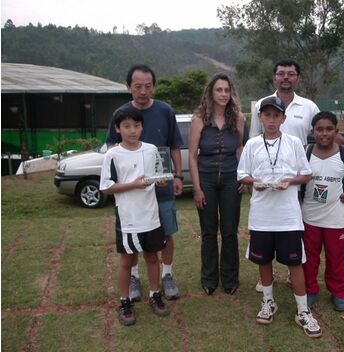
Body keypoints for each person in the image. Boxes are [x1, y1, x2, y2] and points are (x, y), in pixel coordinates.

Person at [250, 59, 344, 292]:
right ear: (274, 78)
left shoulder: (309, 106)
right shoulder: (261, 104)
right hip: (270, 183)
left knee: (300, 227)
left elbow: (325, 129)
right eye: (281, 74)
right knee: (269, 226)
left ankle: (297, 273)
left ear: (297, 78)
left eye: (291, 74)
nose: (286, 78)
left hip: (303, 178)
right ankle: (266, 277)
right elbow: (251, 141)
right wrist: (250, 179)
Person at [237, 96, 322, 338]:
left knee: (295, 263)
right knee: (263, 261)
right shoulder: (252, 144)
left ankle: (303, 311)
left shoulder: (294, 142)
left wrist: (289, 181)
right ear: (260, 117)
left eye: (276, 116)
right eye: (267, 115)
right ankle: (268, 301)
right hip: (262, 216)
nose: (272, 120)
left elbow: (306, 174)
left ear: (283, 118)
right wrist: (257, 182)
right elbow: (242, 175)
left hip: (288, 217)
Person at [106, 64, 184, 302]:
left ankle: (167, 275)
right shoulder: (120, 114)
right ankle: (134, 277)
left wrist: (177, 176)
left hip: (161, 187)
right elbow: (112, 148)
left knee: (166, 232)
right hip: (131, 194)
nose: (143, 91)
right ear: (128, 87)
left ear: (154, 87)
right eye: (137, 86)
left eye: (148, 86)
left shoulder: (165, 110)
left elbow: (174, 146)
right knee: (133, 235)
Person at [100, 106, 170, 326]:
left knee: (152, 257)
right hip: (128, 217)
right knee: (127, 260)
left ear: (142, 127)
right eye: (127, 126)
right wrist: (134, 185)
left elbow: (160, 176)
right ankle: (124, 301)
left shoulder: (151, 150)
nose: (132, 130)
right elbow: (106, 187)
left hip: (151, 215)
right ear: (118, 129)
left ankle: (155, 294)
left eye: (136, 125)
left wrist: (162, 180)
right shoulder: (112, 154)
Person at [302, 111, 344, 311]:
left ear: (336, 131)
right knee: (310, 258)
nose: (324, 134)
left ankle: (339, 292)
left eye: (329, 129)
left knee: (336, 258)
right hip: (309, 217)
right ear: (312, 132)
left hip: (337, 219)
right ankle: (310, 290)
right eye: (319, 129)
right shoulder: (305, 151)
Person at [188, 73, 245, 295]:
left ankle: (230, 279)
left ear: (231, 93)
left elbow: (240, 148)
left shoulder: (238, 118)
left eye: (227, 90)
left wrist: (242, 175)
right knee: (209, 232)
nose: (223, 94)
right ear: (211, 93)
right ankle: (209, 279)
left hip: (231, 178)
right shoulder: (199, 119)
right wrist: (197, 188)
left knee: (230, 231)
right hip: (207, 180)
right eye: (219, 90)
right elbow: (192, 156)